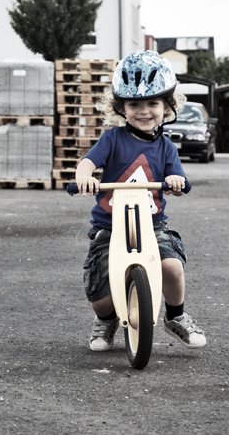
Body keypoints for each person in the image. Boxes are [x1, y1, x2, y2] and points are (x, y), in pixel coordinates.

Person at [73, 50, 206, 351]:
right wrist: (84, 176)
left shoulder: (166, 147)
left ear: (168, 106)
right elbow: (87, 162)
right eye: (134, 104)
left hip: (151, 224)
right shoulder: (112, 139)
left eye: (153, 103)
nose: (144, 111)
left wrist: (176, 183)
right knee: (100, 297)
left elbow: (178, 179)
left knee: (172, 266)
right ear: (121, 107)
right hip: (109, 226)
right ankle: (106, 320)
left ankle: (175, 316)